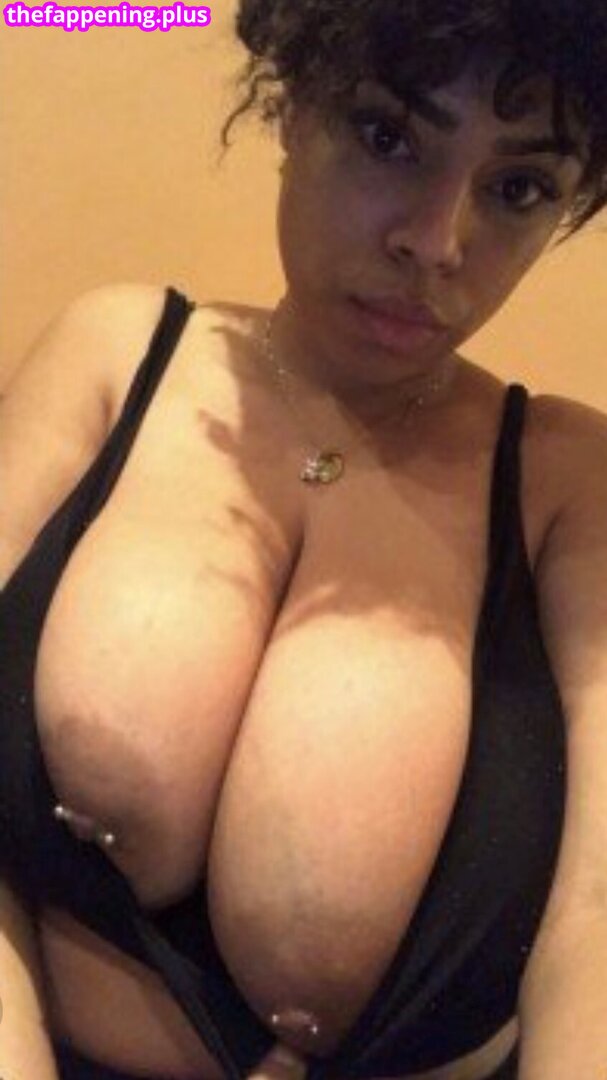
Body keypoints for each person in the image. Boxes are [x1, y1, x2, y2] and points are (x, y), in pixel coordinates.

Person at [1, 1, 607, 1078]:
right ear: (290, 107)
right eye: (387, 137)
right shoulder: (115, 356)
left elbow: (596, 926)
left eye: (517, 189)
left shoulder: (570, 483)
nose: (437, 242)